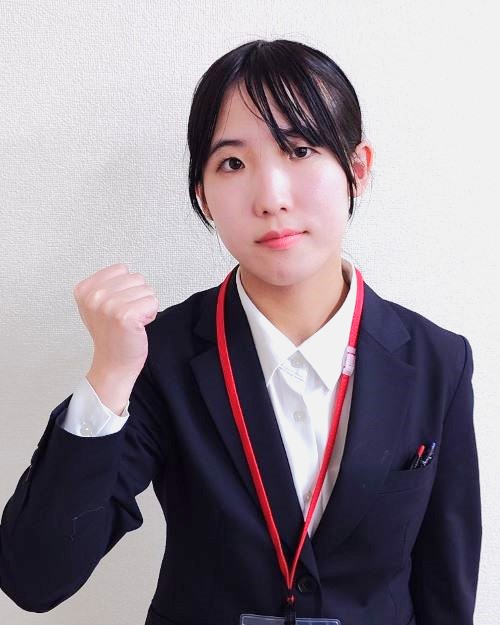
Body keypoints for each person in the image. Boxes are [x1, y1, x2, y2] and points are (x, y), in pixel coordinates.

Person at [0, 39, 481, 625]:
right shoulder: (160, 356)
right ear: (202, 194)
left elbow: (445, 582)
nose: (271, 198)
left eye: (300, 150)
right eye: (232, 163)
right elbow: (34, 577)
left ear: (357, 169)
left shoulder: (437, 361)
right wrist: (109, 375)